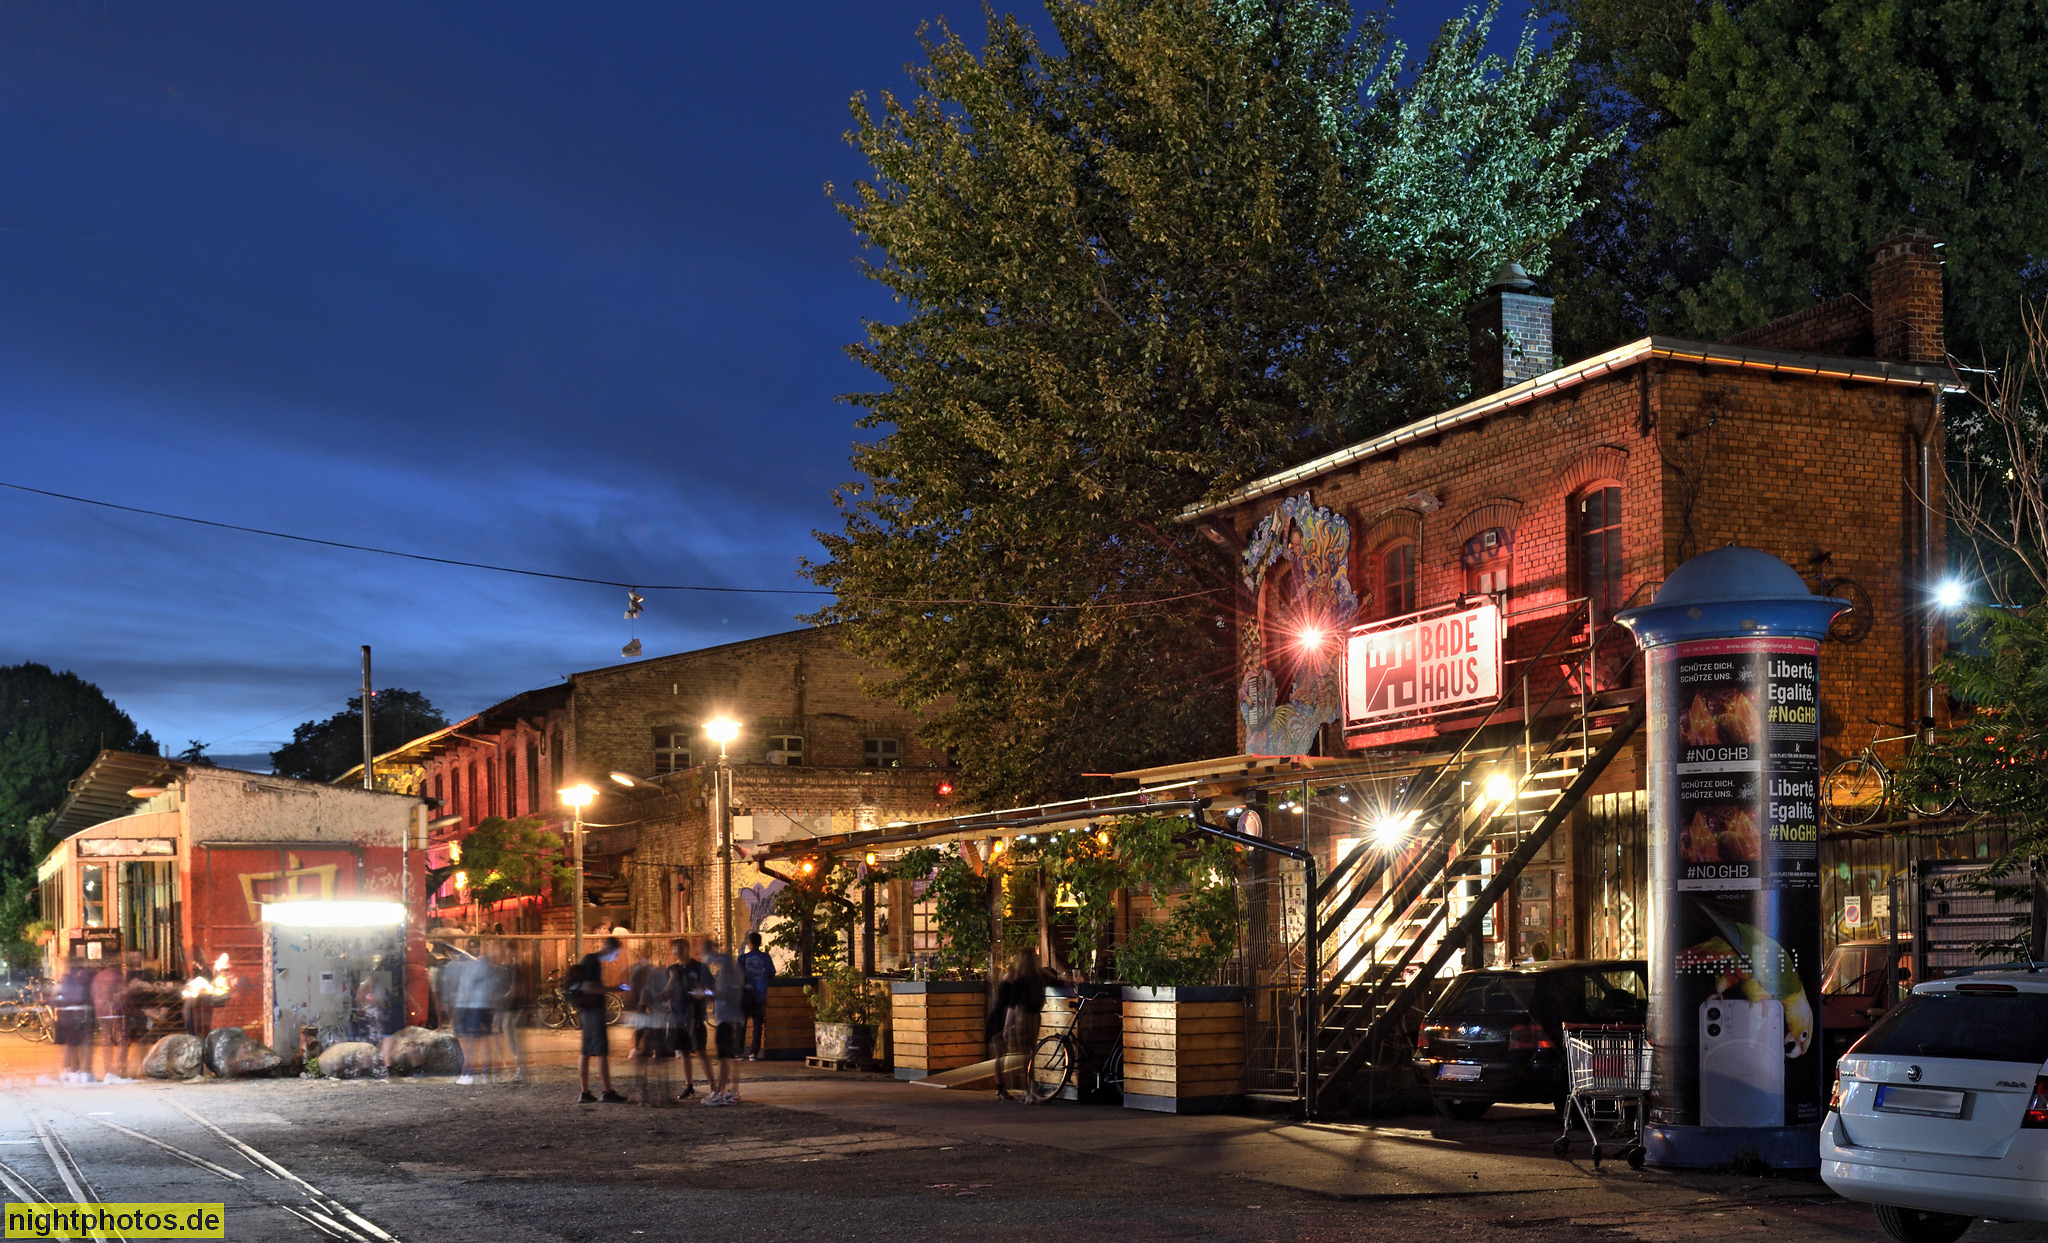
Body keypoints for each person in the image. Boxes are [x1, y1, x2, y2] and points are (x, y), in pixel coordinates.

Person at [565, 936, 626, 1103]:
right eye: (616, 953)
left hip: (586, 1011)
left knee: (585, 1052)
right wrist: (615, 988)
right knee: (601, 1051)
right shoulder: (593, 962)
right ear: (609, 949)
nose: (615, 957)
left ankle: (585, 1092)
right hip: (593, 1011)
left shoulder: (589, 960)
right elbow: (590, 988)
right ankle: (607, 1091)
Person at [986, 947, 1050, 1102]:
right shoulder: (1023, 978)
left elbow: (1010, 1005)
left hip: (1008, 1018)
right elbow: (1011, 1005)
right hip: (1005, 1018)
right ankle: (1007, 1089)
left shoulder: (1019, 978)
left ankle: (1011, 1089)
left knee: (1008, 1055)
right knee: (1008, 1054)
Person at [699, 936, 744, 1105]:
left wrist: (705, 994)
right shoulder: (727, 965)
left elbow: (726, 993)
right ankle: (732, 1091)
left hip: (727, 1017)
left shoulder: (726, 965)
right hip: (730, 1016)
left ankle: (720, 1091)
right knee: (730, 1055)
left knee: (724, 1055)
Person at [666, 938, 711, 1100]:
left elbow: (712, 989)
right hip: (677, 1016)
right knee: (684, 1052)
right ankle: (689, 1085)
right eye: (675, 949)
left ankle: (713, 1087)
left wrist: (703, 994)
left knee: (700, 1051)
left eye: (681, 948)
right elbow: (666, 994)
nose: (678, 951)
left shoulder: (699, 968)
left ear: (688, 949)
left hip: (695, 1017)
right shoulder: (671, 970)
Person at [450, 940, 495, 1085]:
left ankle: (468, 1073)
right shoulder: (488, 966)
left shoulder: (473, 966)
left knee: (470, 1041)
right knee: (483, 1040)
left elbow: (467, 987)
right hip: (485, 1006)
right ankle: (486, 1073)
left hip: (474, 1007)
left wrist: (460, 1006)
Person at [55, 952, 97, 1084]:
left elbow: (59, 995)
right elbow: (92, 993)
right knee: (86, 1042)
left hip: (67, 1013)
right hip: (83, 1011)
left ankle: (70, 1071)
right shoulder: (87, 976)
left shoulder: (66, 978)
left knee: (71, 1043)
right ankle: (85, 1072)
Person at [92, 952, 133, 1081]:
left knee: (106, 1039)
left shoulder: (98, 976)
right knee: (122, 1038)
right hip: (116, 1011)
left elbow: (94, 993)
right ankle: (121, 1068)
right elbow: (123, 994)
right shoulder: (118, 976)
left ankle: (108, 1069)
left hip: (101, 1012)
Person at [738, 931, 774, 1061]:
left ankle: (739, 1052)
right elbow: (772, 974)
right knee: (757, 1025)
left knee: (741, 1024)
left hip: (744, 996)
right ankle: (753, 1053)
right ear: (760, 943)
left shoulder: (742, 959)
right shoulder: (766, 958)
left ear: (749, 943)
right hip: (759, 995)